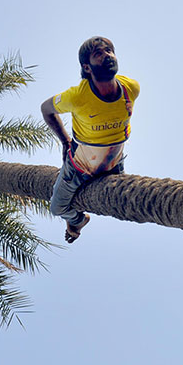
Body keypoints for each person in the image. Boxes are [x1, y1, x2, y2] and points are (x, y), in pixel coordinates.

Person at [41, 37, 140, 243]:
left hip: (114, 162)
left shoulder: (131, 88)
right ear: (87, 67)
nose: (107, 56)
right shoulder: (77, 96)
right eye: (99, 54)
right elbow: (46, 109)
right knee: (57, 208)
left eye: (109, 51)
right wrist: (65, 140)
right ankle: (78, 220)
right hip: (79, 167)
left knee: (126, 201)